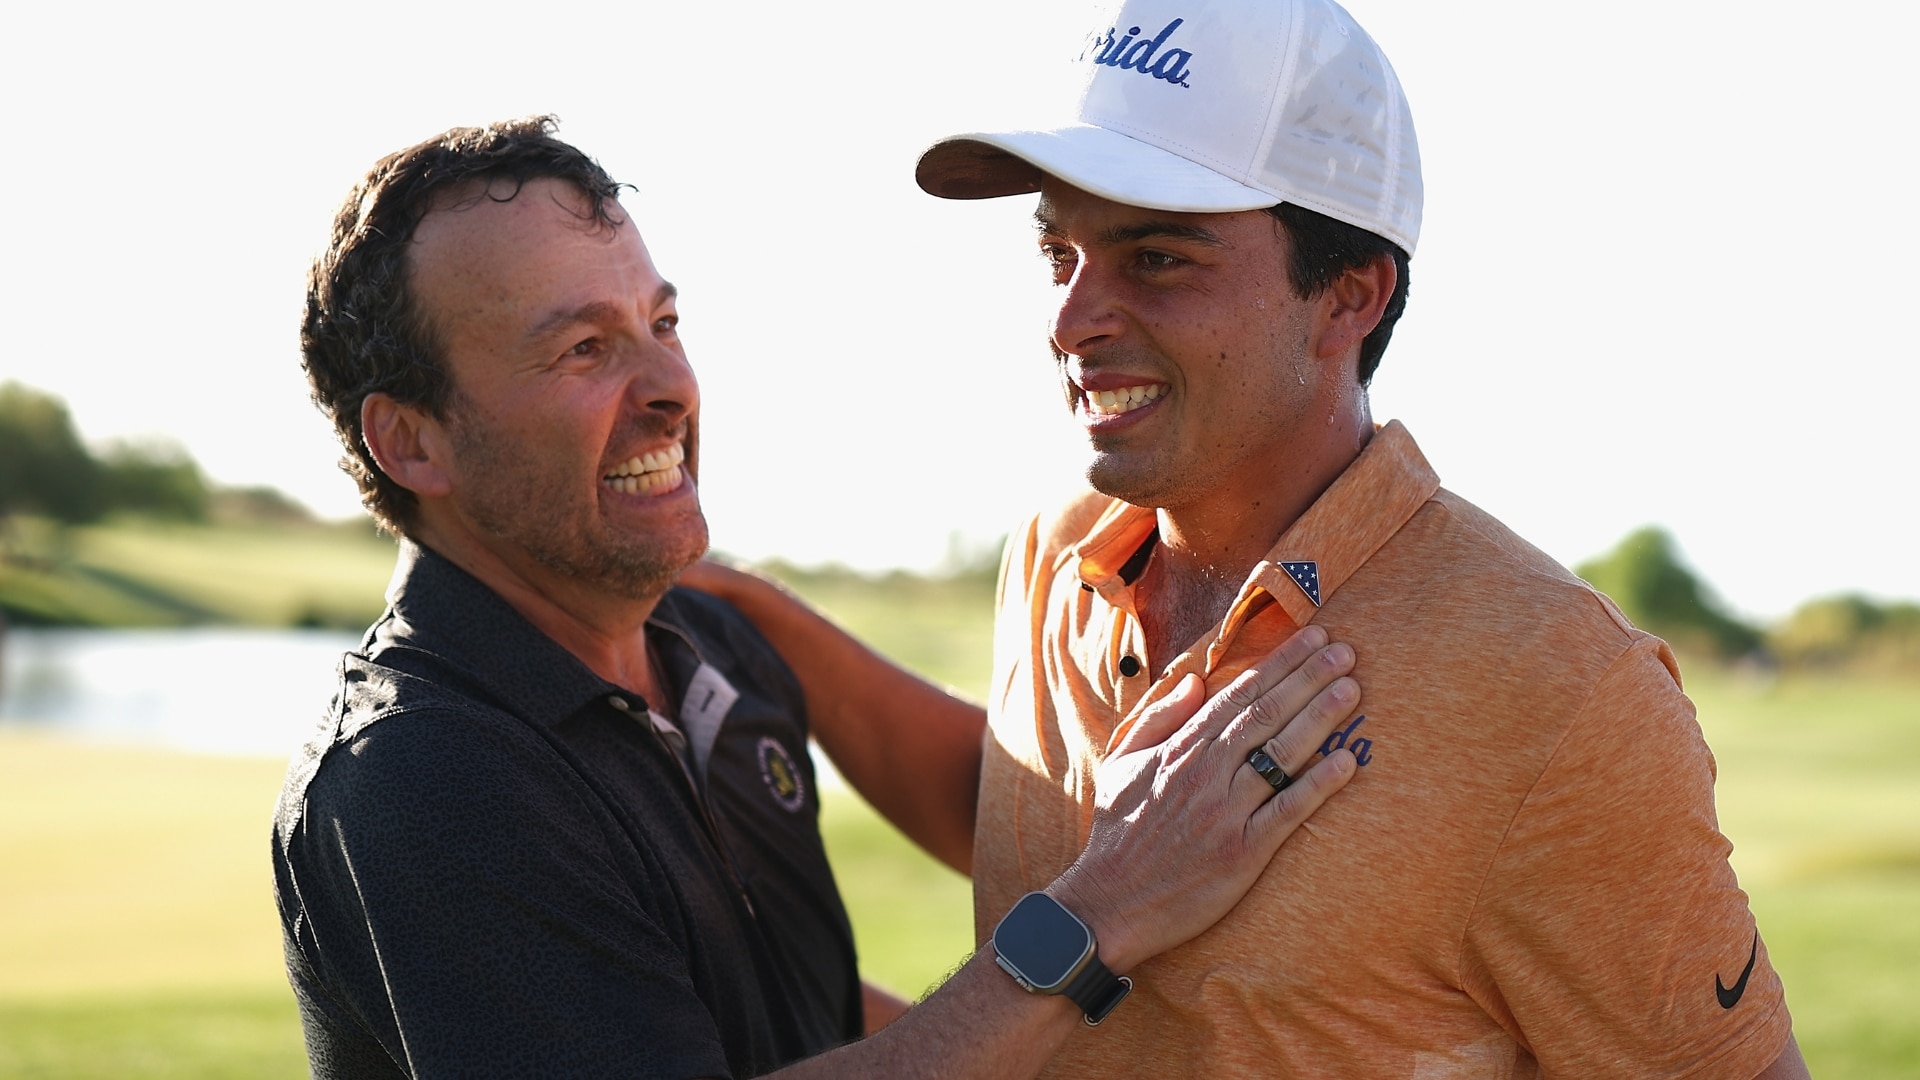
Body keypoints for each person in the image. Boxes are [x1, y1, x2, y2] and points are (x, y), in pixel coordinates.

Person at [698, 0, 1813, 1075]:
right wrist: (740, 609)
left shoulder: (1560, 687)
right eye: (1059, 255)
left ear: (1349, 299)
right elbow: (1028, 823)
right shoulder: (1059, 552)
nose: (1070, 318)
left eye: (1158, 258)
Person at [271, 116, 1367, 1079]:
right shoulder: (427, 777)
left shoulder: (713, 649)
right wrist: (1092, 918)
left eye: (662, 324)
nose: (668, 389)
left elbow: (798, 1012)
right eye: (582, 349)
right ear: (410, 442)